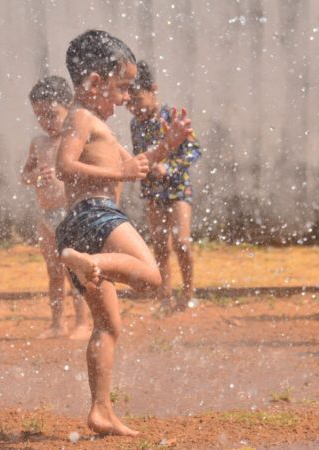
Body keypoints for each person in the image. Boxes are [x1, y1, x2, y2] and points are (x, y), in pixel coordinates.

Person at [55, 30, 192, 436]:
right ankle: (93, 263)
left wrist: (167, 145)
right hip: (96, 217)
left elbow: (137, 165)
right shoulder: (82, 117)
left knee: (108, 326)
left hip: (76, 231)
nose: (126, 99)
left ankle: (101, 411)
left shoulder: (100, 125)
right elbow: (65, 166)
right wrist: (119, 172)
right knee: (151, 277)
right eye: (121, 88)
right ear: (95, 83)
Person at [127, 60, 202, 313]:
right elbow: (140, 154)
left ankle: (189, 293)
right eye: (128, 102)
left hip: (178, 189)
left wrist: (168, 168)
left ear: (153, 90)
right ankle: (165, 296)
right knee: (160, 244)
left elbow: (194, 149)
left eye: (137, 99)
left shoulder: (171, 116)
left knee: (181, 241)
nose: (132, 107)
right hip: (152, 191)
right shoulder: (135, 124)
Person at [22, 75, 91, 340]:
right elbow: (24, 176)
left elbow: (86, 174)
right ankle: (57, 323)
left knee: (75, 271)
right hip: (46, 216)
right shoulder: (38, 144)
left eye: (51, 115)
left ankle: (83, 323)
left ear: (69, 107)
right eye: (39, 116)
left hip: (70, 215)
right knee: (53, 272)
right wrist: (36, 177)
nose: (45, 122)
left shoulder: (74, 141)